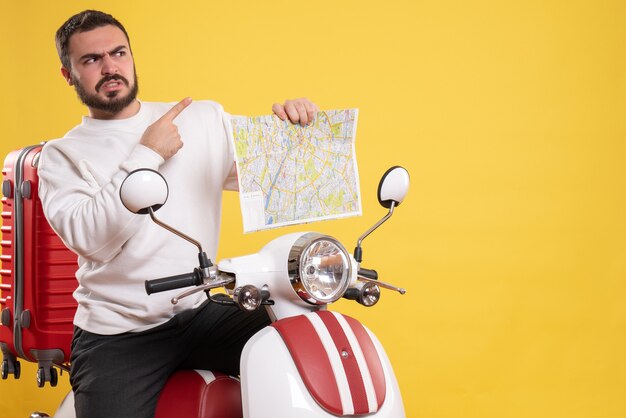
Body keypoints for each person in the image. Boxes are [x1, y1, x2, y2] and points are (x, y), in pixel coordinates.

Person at [38, 9, 319, 418]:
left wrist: (296, 128)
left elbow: (280, 178)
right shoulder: (61, 155)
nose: (110, 67)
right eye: (91, 60)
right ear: (68, 74)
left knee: (307, 347)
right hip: (119, 333)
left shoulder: (201, 118)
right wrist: (147, 154)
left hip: (200, 311)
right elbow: (91, 240)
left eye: (118, 53)